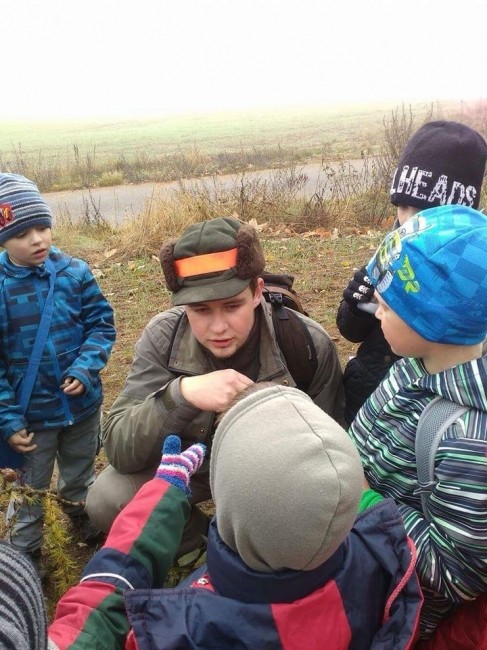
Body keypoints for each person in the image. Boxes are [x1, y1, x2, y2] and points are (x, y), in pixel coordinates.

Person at [49, 383, 422, 649]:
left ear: (224, 496)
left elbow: (99, 624)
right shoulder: (385, 555)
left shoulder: (179, 628)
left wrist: (159, 496)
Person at [86, 216, 344, 556]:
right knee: (108, 498)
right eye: (201, 310)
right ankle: (203, 546)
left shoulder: (306, 344)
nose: (218, 327)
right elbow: (119, 446)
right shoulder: (163, 338)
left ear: (257, 292)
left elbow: (332, 460)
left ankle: (258, 548)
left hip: (271, 472)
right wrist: (182, 395)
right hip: (192, 465)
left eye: (232, 306)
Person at [349, 204, 487, 640]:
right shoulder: (415, 363)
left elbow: (455, 575)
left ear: (434, 320)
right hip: (359, 550)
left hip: (393, 609)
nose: (376, 314)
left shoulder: (468, 442)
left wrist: (365, 502)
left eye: (387, 307)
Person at [0, 173, 116, 577]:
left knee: (80, 473)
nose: (37, 239)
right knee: (30, 491)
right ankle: (24, 555)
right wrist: (8, 420)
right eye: (22, 233)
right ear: (3, 238)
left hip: (81, 407)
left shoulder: (74, 273)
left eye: (43, 227)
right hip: (31, 419)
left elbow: (101, 324)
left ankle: (82, 515)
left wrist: (86, 367)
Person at [336, 120, 487, 425]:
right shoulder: (391, 249)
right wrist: (356, 303)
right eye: (403, 206)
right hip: (370, 393)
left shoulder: (475, 277)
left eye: (424, 212)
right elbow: (350, 331)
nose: (407, 221)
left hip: (435, 416)